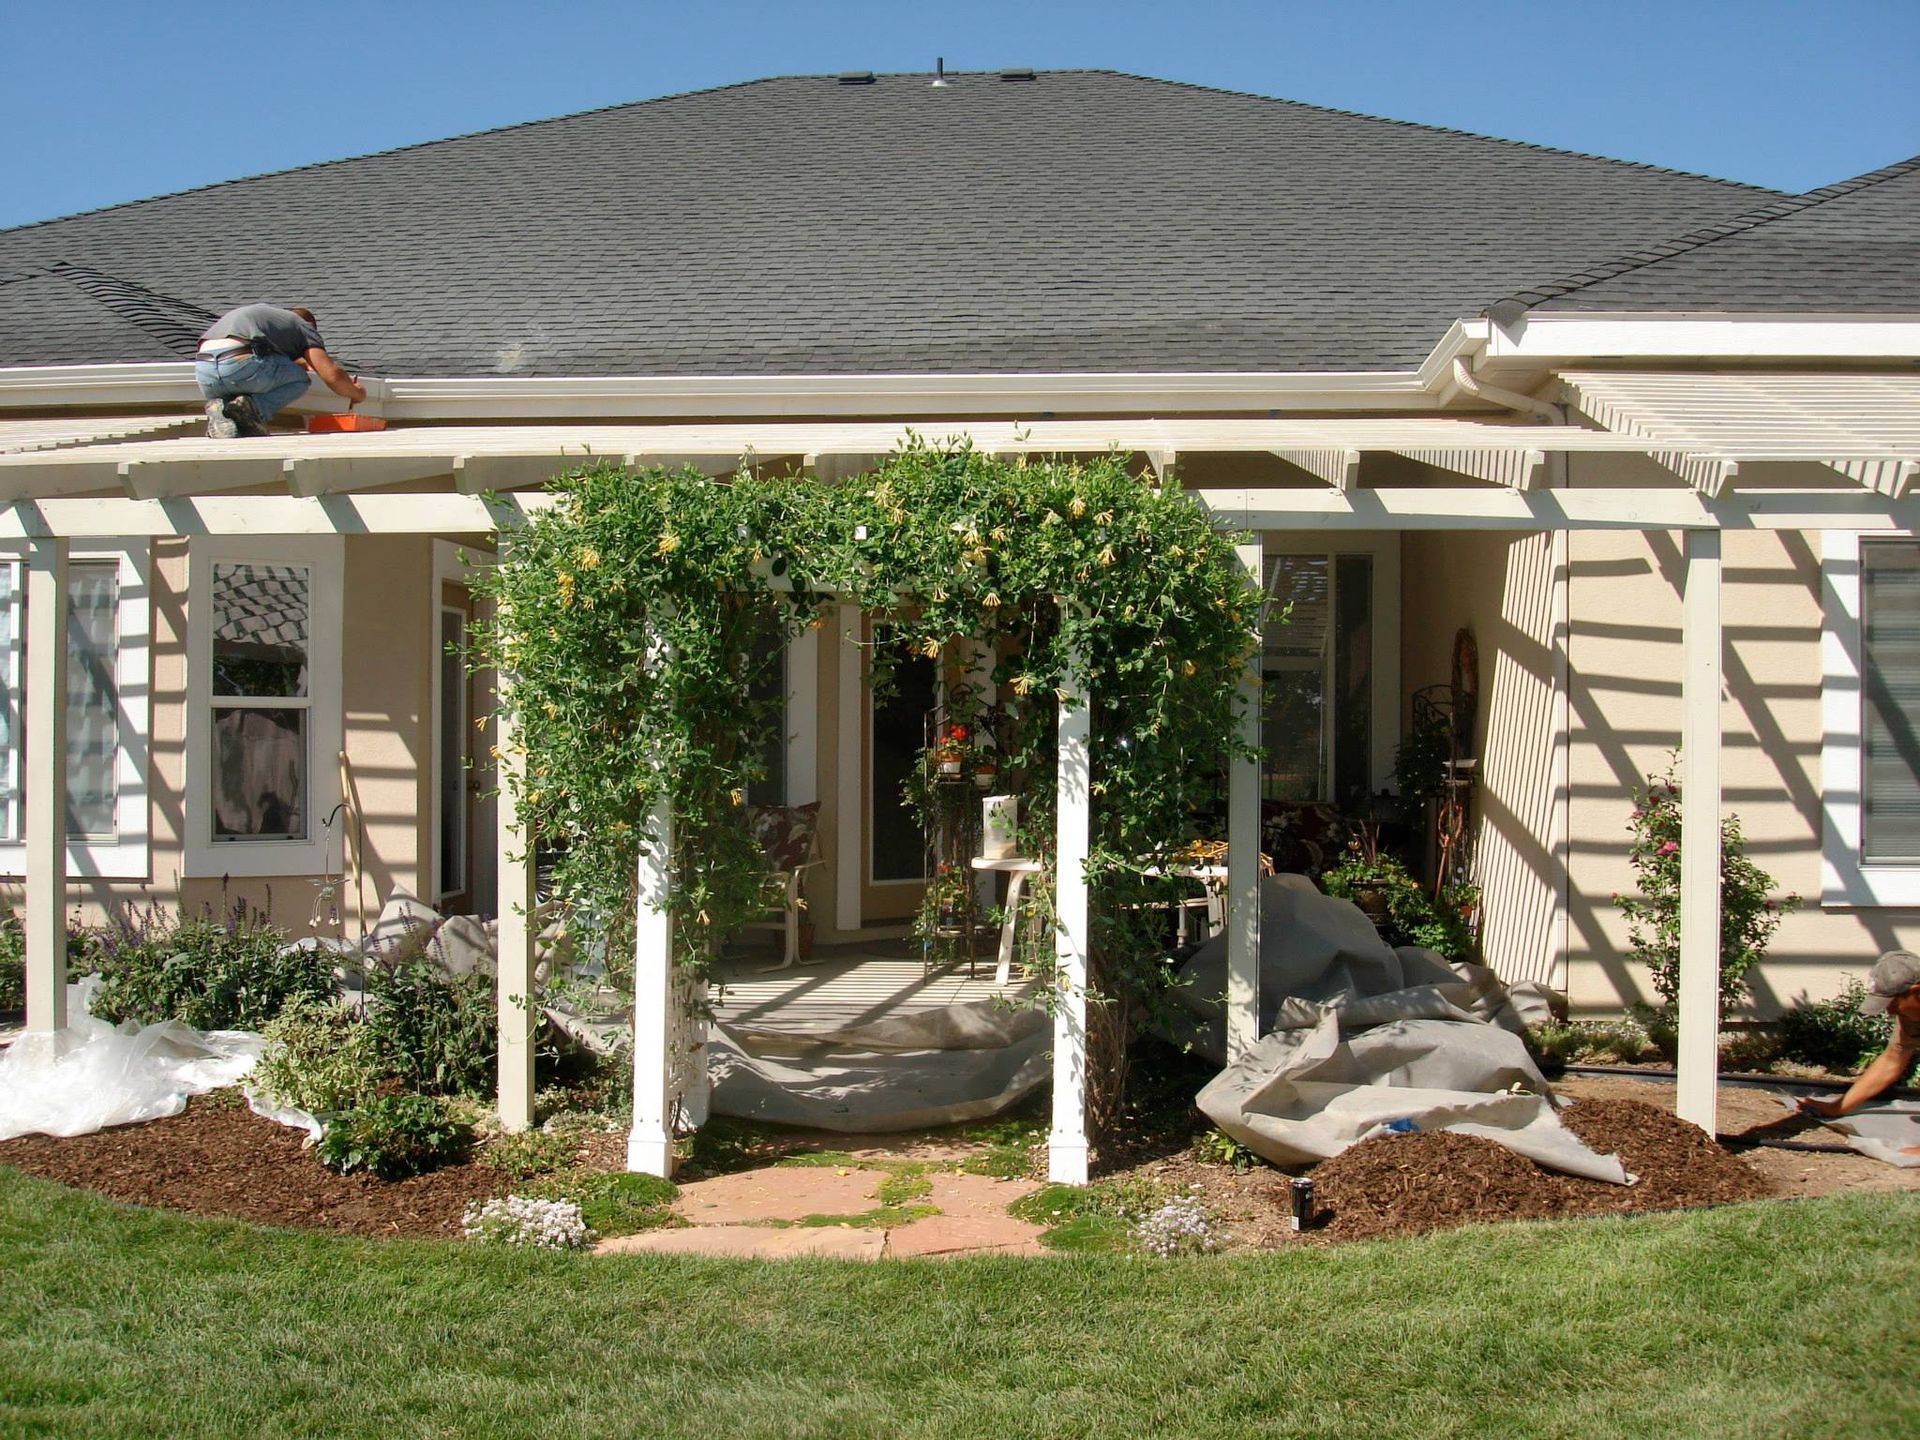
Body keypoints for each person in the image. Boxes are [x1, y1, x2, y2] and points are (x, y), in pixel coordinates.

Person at [195, 303, 365, 438]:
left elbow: (283, 363)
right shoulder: (304, 327)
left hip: (205, 372)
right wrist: (356, 393)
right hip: (241, 363)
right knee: (300, 379)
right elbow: (331, 376)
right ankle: (255, 408)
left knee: (232, 429)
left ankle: (220, 408)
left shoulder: (269, 321)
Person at [1797, 949, 1920, 1118]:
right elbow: (1893, 1059)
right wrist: (1837, 1107)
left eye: (1893, 1002)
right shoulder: (1911, 1014)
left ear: (1916, 992)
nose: (1889, 1011)